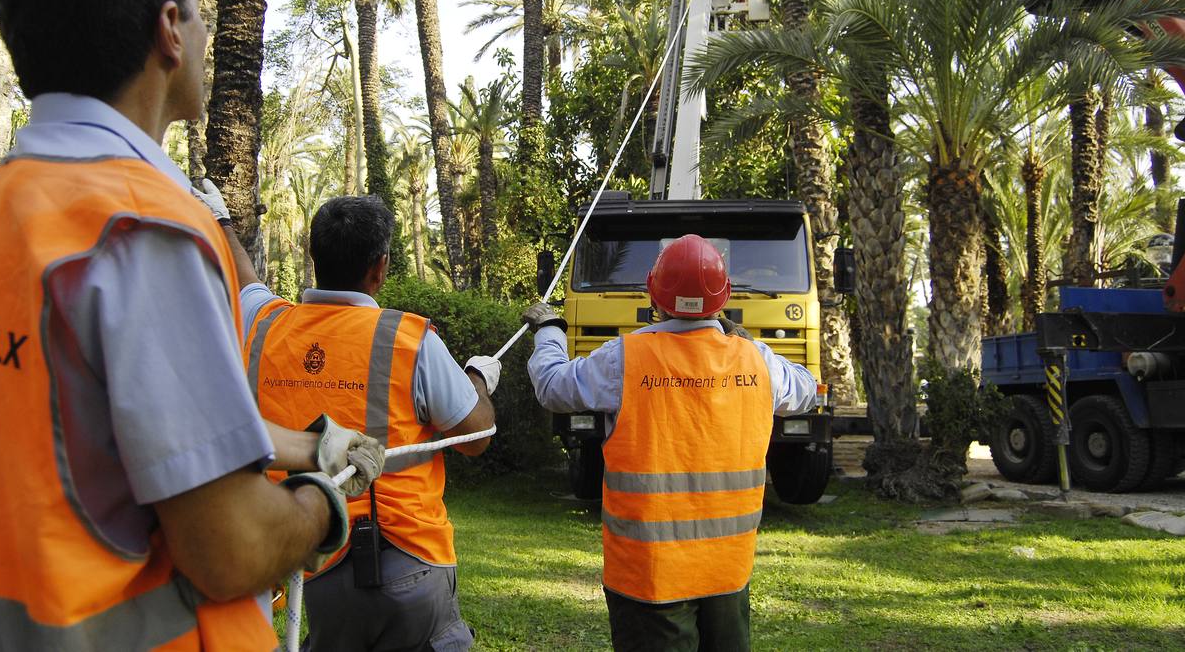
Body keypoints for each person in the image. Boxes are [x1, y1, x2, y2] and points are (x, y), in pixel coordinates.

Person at [0, 0, 383, 650]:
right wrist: (323, 505)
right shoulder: (141, 225)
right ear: (168, 29)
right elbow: (228, 548)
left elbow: (98, 428)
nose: (201, 37)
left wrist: (303, 443)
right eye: (196, 14)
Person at [191, 191, 499, 651]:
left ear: (315, 256)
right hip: (408, 556)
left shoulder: (267, 324)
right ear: (380, 266)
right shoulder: (409, 338)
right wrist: (478, 377)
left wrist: (221, 222)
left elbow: (243, 278)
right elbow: (475, 435)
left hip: (308, 557)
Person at [524, 234, 818, 652]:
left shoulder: (625, 357)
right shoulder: (756, 361)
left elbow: (553, 386)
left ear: (652, 291)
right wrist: (750, 342)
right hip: (727, 572)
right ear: (725, 296)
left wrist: (549, 332)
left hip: (650, 577)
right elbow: (806, 389)